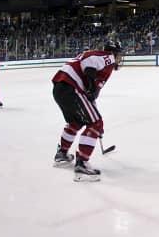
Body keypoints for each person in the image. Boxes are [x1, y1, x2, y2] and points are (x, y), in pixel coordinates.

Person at [51, 41, 123, 181]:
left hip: (61, 87)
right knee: (96, 123)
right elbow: (89, 62)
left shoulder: (102, 59)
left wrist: (91, 91)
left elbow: (93, 90)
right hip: (71, 87)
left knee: (76, 121)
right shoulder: (107, 57)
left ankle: (62, 154)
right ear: (114, 52)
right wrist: (90, 86)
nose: (120, 58)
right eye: (119, 54)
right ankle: (82, 165)